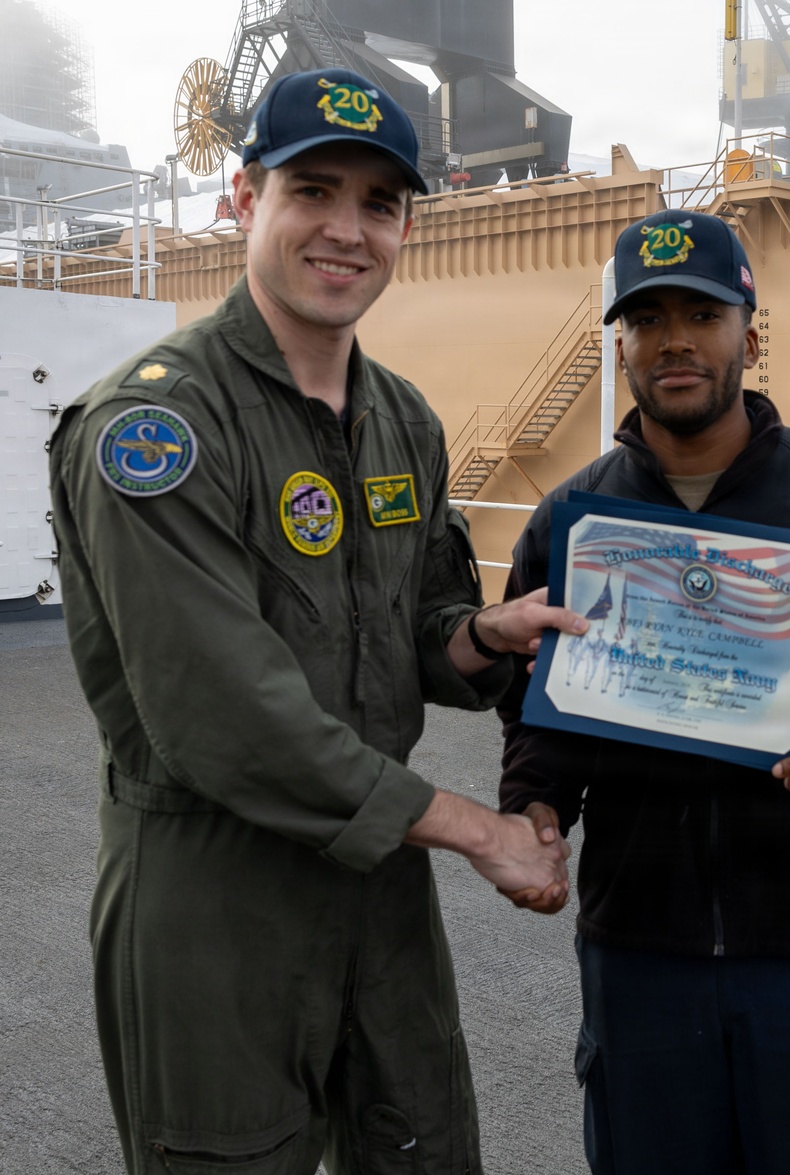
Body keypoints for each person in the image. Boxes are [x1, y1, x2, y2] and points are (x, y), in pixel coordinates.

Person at [49, 67, 585, 1175]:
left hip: (376, 877)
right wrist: (482, 831)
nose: (347, 231)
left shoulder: (401, 417)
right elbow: (226, 719)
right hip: (212, 886)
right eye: (313, 190)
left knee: (422, 1145)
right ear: (245, 199)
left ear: (404, 227)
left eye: (380, 204)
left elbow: (415, 623)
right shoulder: (155, 426)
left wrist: (481, 636)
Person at [497, 210, 790, 1175]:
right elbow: (539, 712)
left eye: (702, 314)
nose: (675, 339)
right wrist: (535, 810)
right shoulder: (571, 525)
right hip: (641, 952)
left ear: (749, 335)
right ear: (621, 343)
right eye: (648, 318)